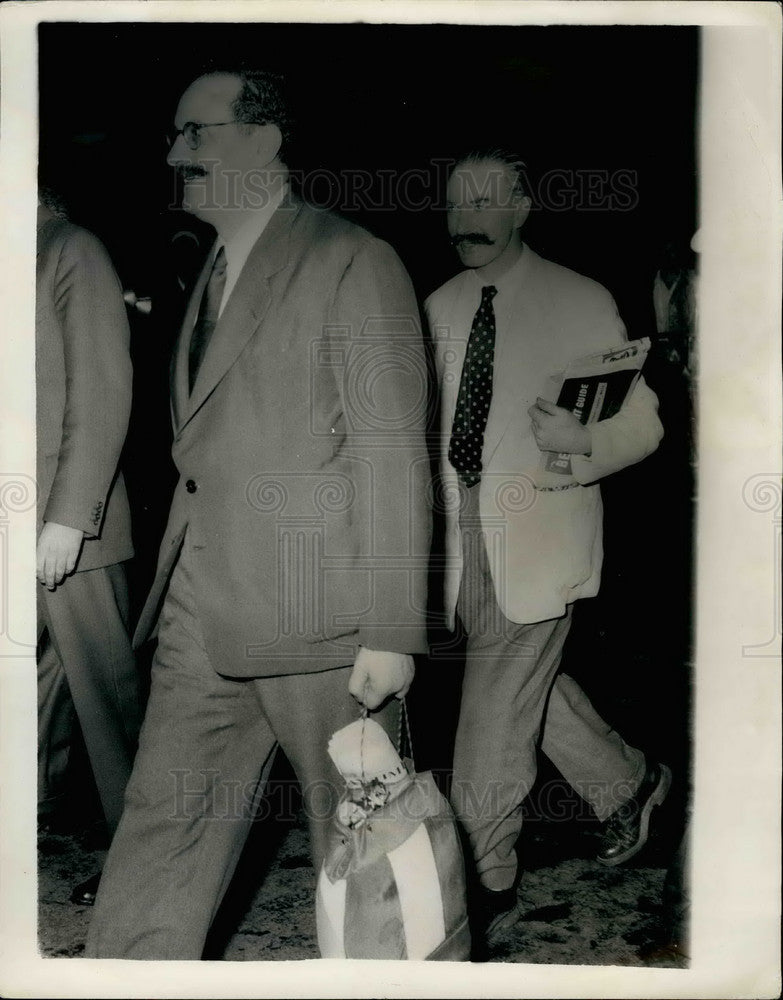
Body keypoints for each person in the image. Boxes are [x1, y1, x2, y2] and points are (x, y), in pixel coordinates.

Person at [85, 69, 430, 959]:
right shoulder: (212, 265)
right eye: (173, 135)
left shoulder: (350, 257)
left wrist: (391, 628)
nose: (175, 153)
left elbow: (392, 452)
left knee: (365, 852)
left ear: (264, 141)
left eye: (195, 133)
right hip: (201, 601)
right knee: (165, 818)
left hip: (321, 615)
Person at [425, 150, 671, 950]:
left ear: (521, 207)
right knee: (522, 680)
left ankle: (484, 874)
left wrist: (581, 442)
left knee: (493, 708)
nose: (465, 220)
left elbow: (642, 425)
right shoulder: (435, 305)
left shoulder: (577, 298)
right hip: (456, 535)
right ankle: (629, 783)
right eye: (454, 203)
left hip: (537, 531)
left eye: (483, 202)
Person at [36, 191, 143, 905]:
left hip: (69, 527)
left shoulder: (72, 248)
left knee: (109, 705)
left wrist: (70, 518)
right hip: (19, 515)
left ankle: (143, 860)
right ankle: (37, 815)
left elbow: (102, 387)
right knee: (40, 690)